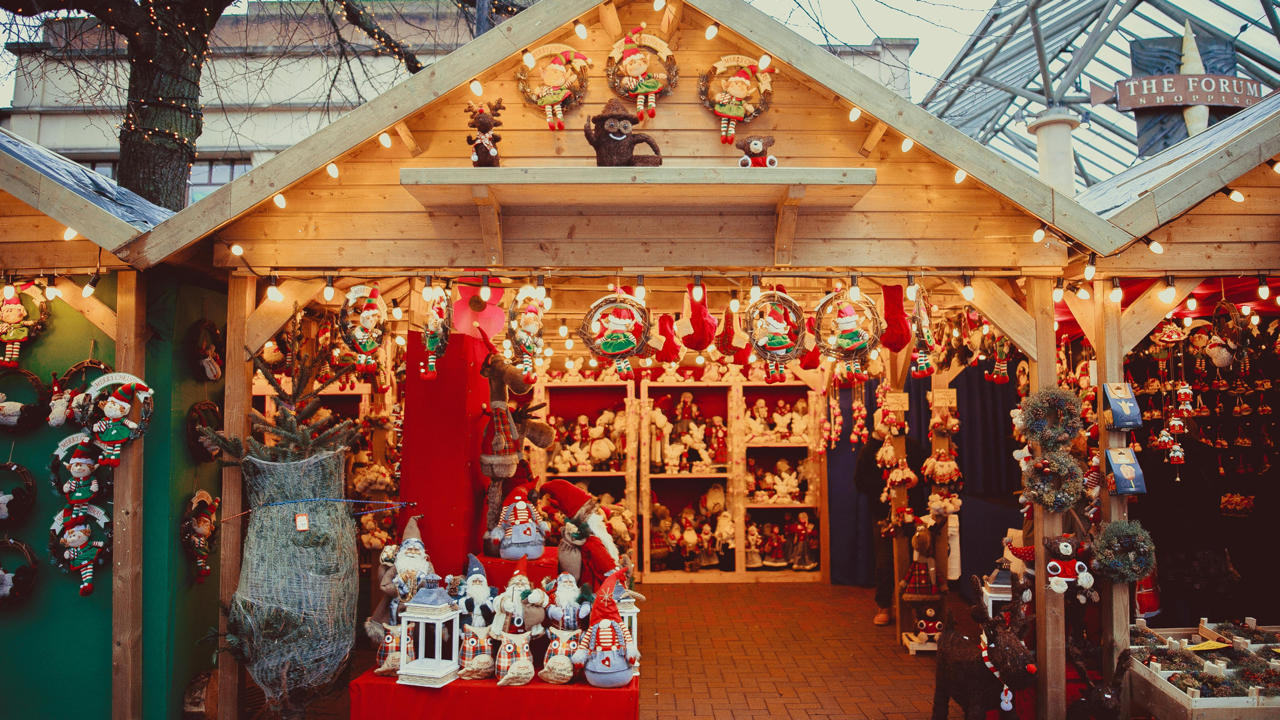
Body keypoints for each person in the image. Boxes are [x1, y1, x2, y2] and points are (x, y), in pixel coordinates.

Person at [853, 430, 929, 626]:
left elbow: (927, 471)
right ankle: (884, 605)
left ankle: (918, 607)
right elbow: (860, 482)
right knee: (885, 562)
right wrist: (887, 484)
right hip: (883, 515)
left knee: (918, 559)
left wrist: (916, 479)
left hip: (915, 512)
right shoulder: (868, 451)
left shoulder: (912, 445)